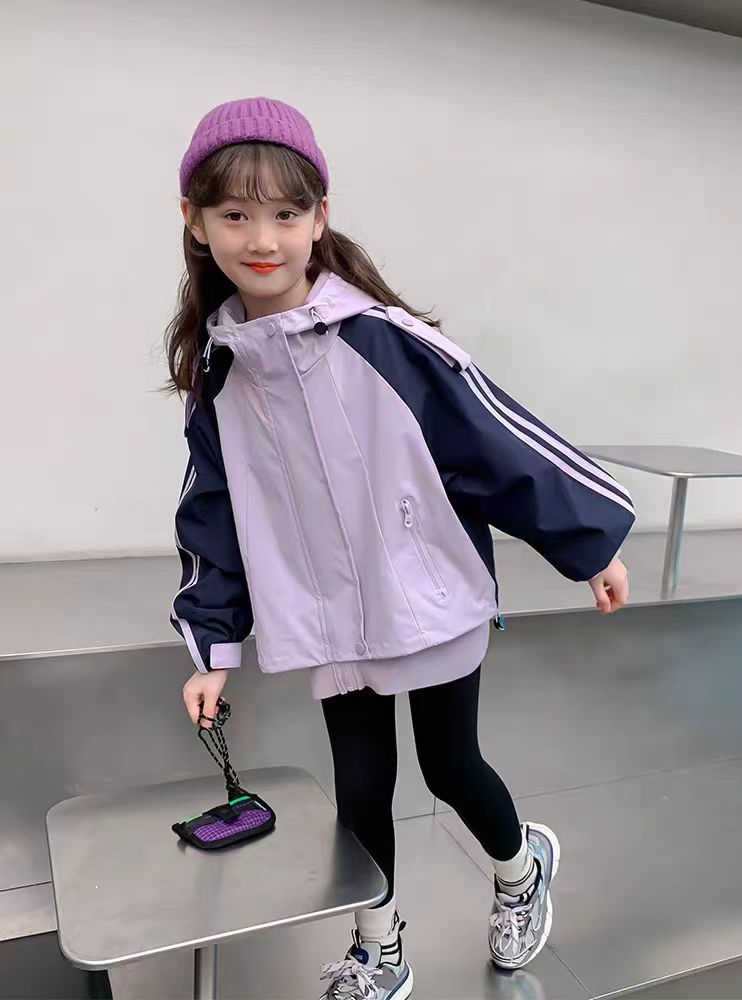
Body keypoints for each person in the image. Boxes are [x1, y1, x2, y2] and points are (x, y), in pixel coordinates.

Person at [164, 97, 634, 1000]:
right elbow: (211, 514)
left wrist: (588, 545)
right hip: (329, 614)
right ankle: (378, 948)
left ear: (320, 219)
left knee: (451, 767)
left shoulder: (382, 340)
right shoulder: (220, 374)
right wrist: (212, 645)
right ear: (195, 220)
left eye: (286, 213)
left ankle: (519, 868)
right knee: (361, 787)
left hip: (426, 590)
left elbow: (495, 440)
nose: (261, 238)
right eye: (234, 213)